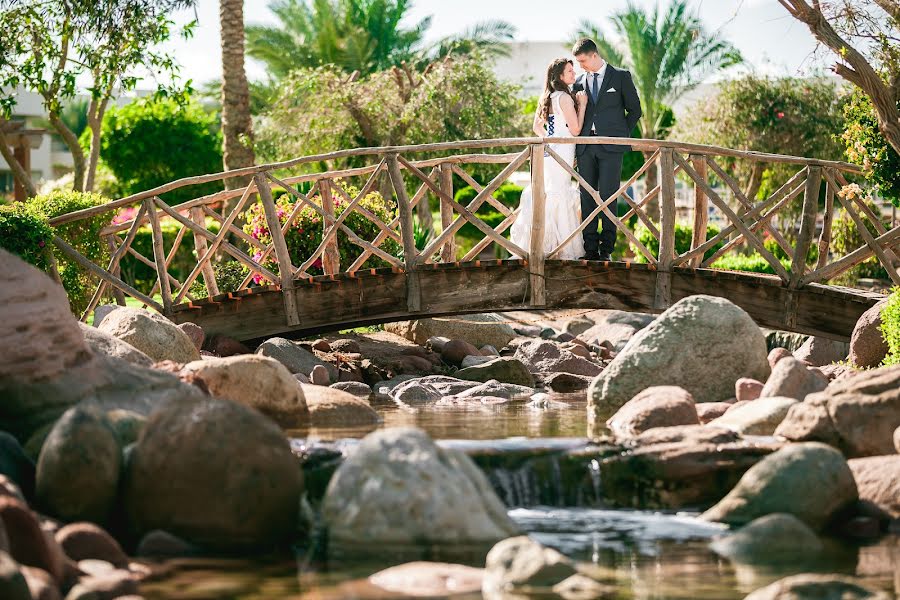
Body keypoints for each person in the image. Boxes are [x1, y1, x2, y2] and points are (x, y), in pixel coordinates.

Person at [572, 38, 642, 261]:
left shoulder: (620, 76)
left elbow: (635, 110)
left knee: (609, 197)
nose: (580, 66)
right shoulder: (579, 82)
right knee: (586, 198)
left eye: (582, 60)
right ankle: (589, 249)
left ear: (594, 55)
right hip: (585, 147)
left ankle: (606, 251)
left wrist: (621, 136)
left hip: (612, 149)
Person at [510, 58, 588, 260]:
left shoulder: (548, 96)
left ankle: (542, 244)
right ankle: (561, 247)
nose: (574, 73)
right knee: (559, 192)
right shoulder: (565, 98)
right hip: (562, 152)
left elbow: (537, 127)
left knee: (550, 192)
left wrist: (548, 140)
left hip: (549, 152)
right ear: (560, 76)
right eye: (570, 71)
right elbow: (576, 129)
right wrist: (584, 105)